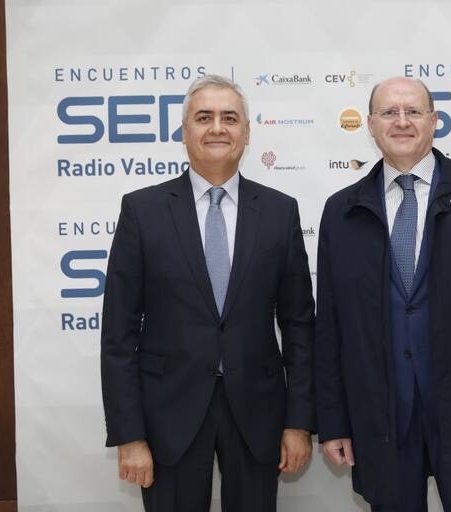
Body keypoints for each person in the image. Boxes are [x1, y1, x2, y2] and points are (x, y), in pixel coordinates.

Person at [315, 77, 451, 511]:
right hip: (381, 418)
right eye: (389, 112)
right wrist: (334, 420)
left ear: (434, 121)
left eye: (413, 111)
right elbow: (331, 328)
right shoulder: (342, 211)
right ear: (370, 125)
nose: (401, 121)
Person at [100, 74, 315, 511]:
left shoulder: (280, 211)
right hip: (167, 418)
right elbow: (118, 335)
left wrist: (298, 423)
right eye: (204, 117)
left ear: (247, 133)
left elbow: (299, 327)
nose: (218, 128)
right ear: (184, 132)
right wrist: (129, 435)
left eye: (229, 118)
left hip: (258, 414)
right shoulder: (142, 211)